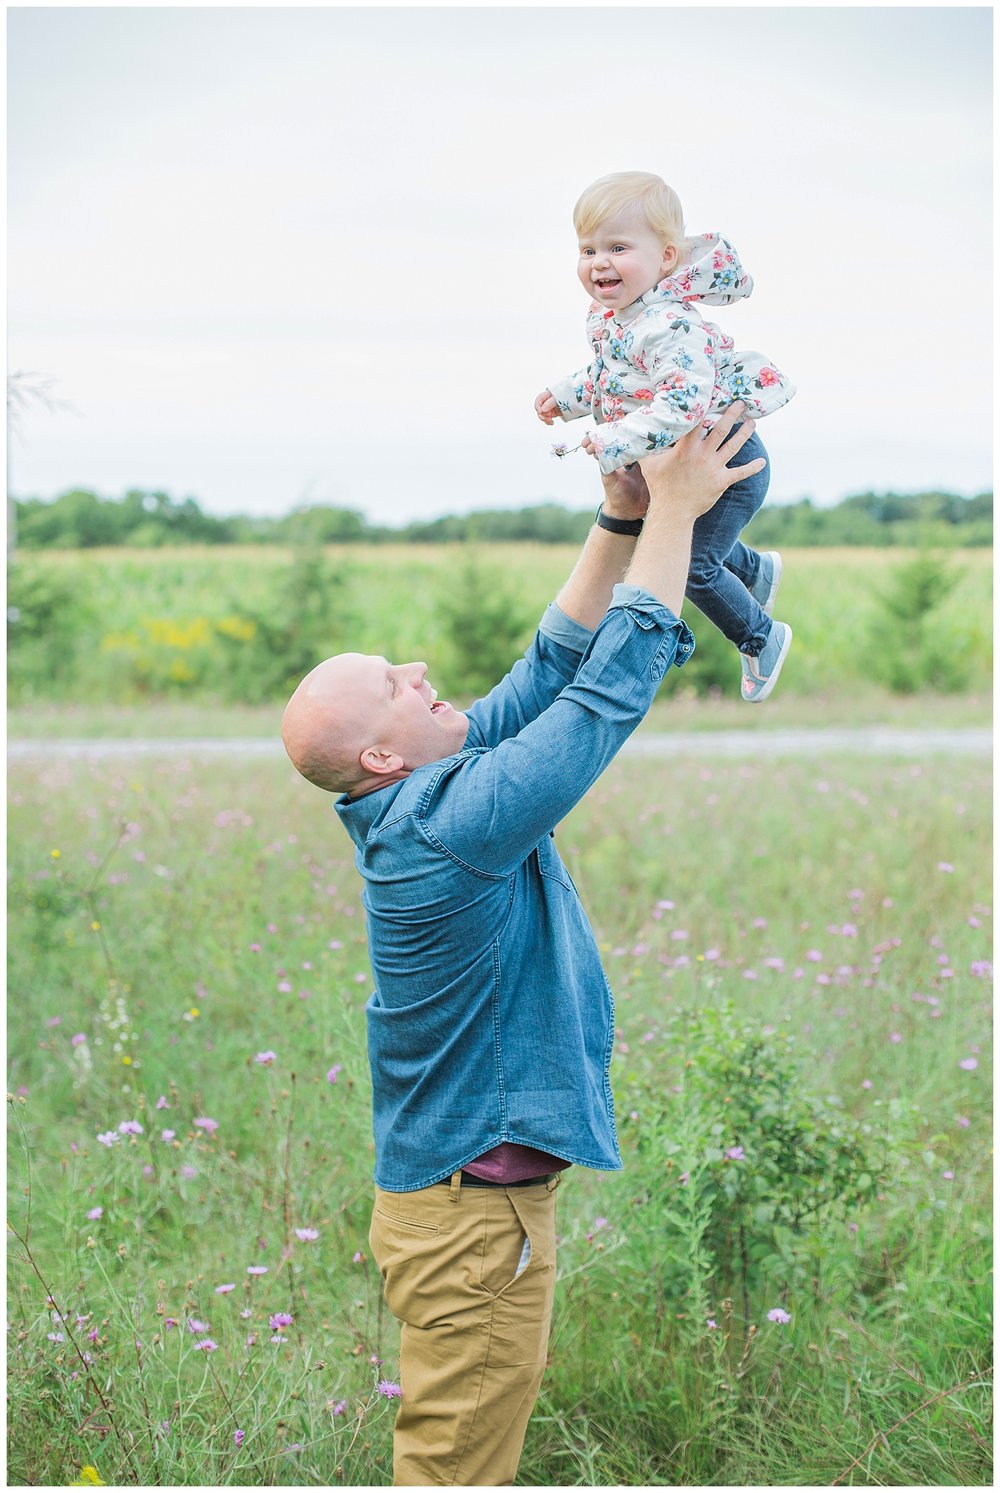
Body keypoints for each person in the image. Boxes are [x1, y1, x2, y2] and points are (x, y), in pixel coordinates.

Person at [280, 406, 765, 1486]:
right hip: (469, 1216)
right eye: (393, 682)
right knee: (457, 1469)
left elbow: (545, 669)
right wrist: (677, 520)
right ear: (377, 751)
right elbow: (597, 700)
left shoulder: (430, 791)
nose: (417, 665)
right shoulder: (449, 825)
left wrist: (620, 515)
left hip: (467, 1204)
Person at [535, 169, 796, 703]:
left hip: (726, 460)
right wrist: (567, 397)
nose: (599, 261)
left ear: (667, 259)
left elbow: (684, 400)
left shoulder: (673, 324)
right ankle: (755, 569)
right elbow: (615, 376)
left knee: (693, 568)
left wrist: (616, 440)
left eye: (618, 247)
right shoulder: (617, 321)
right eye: (587, 250)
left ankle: (763, 637)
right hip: (694, 460)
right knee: (697, 546)